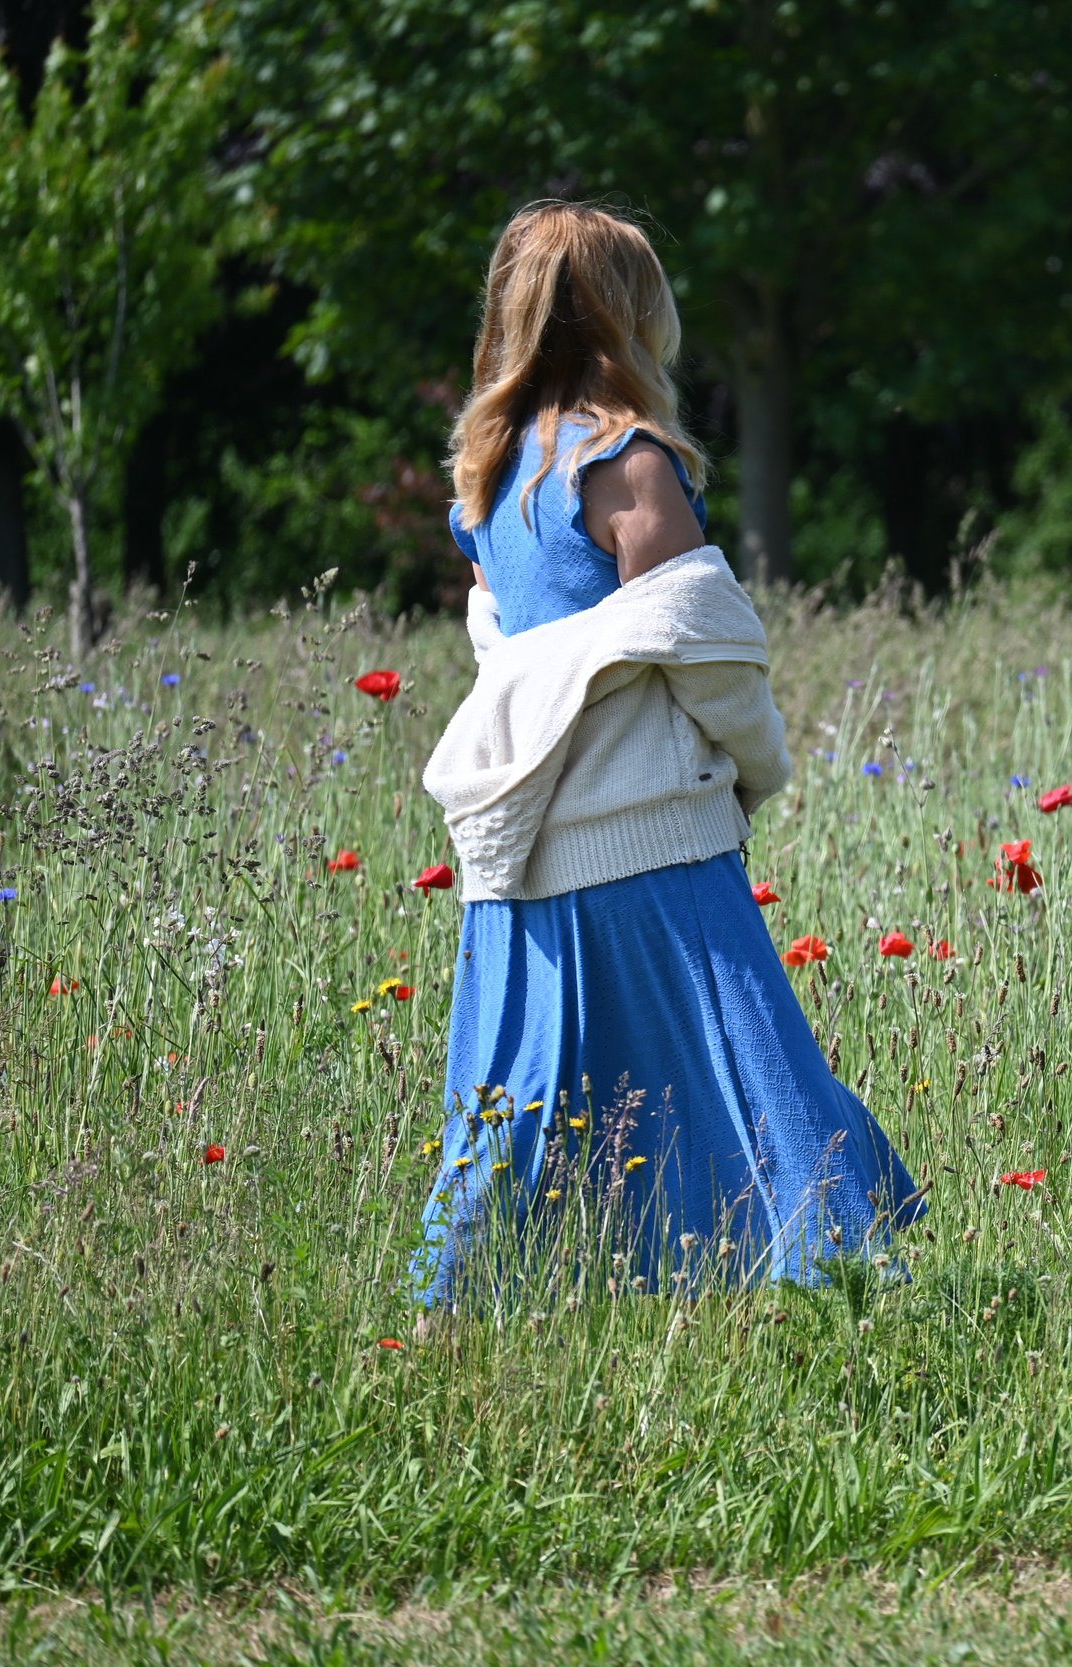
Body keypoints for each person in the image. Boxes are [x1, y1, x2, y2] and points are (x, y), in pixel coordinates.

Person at [410, 201, 919, 1311]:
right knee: (752, 1080)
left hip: (524, 859)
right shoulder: (629, 465)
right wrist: (759, 769)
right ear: (630, 313)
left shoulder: (486, 481)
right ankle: (836, 1299)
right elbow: (708, 652)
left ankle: (465, 1311)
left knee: (526, 1100)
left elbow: (504, 649)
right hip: (652, 846)